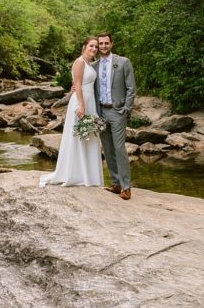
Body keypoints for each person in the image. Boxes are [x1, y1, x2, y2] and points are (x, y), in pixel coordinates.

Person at [40, 36, 103, 187]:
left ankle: (88, 175)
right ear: (84, 46)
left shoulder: (90, 63)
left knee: (88, 136)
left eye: (96, 47)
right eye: (91, 46)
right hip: (81, 102)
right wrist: (81, 105)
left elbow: (77, 83)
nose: (94, 49)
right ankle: (75, 174)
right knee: (78, 136)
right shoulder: (79, 62)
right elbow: (78, 85)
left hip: (90, 101)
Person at [95, 32, 136, 200]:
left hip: (117, 111)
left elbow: (131, 88)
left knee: (119, 149)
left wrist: (126, 108)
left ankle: (126, 187)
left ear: (112, 44)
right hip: (100, 112)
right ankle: (115, 183)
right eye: (101, 44)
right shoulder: (94, 65)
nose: (103, 46)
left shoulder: (123, 62)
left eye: (106, 43)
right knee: (107, 148)